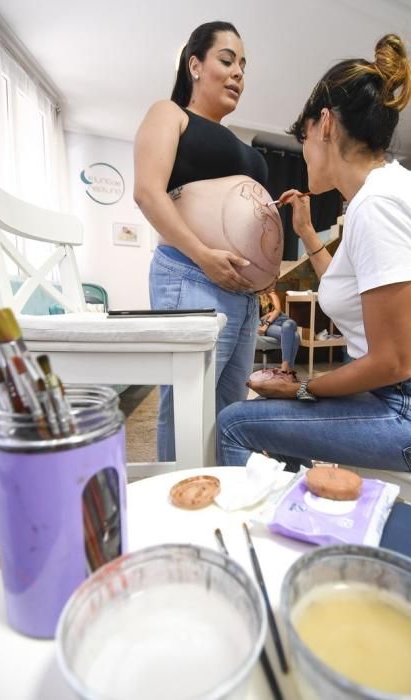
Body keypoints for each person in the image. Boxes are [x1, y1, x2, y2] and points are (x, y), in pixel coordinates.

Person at [218, 33, 411, 472]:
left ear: (324, 124)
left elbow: (393, 361)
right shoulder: (391, 191)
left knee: (235, 422)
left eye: (304, 136)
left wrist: (303, 390)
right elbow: (350, 288)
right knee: (278, 414)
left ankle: (258, 532)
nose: (305, 151)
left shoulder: (379, 204)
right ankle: (304, 514)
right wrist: (307, 232)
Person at [133, 21, 282, 461]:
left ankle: (218, 501)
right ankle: (179, 515)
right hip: (191, 275)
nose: (238, 73)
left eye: (243, 66)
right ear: (194, 65)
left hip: (243, 292)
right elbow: (146, 192)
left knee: (229, 412)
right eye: (227, 59)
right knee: (186, 408)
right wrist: (203, 255)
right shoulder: (170, 113)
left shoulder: (239, 143)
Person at [256, 288, 299, 374]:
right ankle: (289, 369)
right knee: (295, 336)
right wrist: (267, 317)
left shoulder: (271, 294)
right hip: (271, 326)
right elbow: (256, 318)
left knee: (287, 326)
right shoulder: (253, 297)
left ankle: (284, 365)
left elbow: (277, 310)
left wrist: (267, 322)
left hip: (284, 320)